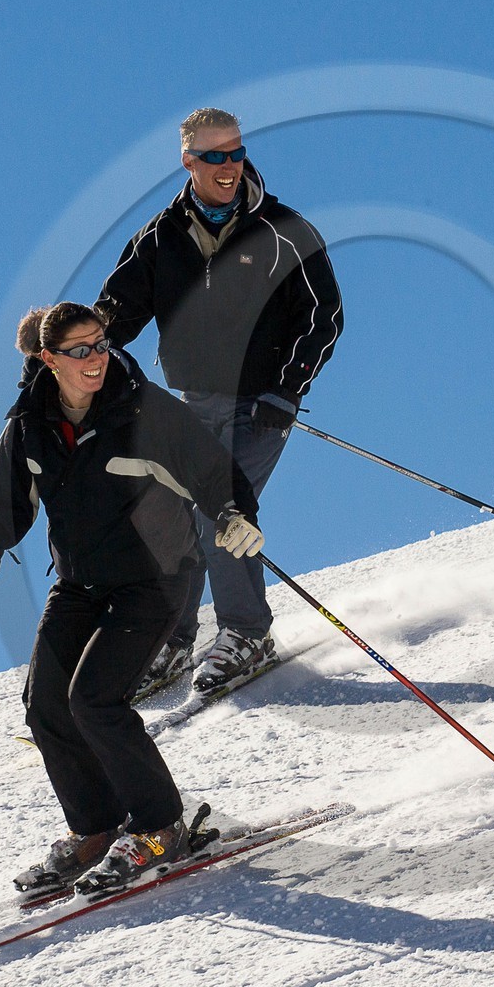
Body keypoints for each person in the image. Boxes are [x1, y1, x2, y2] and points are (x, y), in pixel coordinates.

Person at [0, 301, 265, 893]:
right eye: (80, 350)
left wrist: (231, 513)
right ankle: (94, 827)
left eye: (100, 343)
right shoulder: (30, 424)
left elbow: (210, 468)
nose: (96, 358)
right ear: (49, 359)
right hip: (79, 582)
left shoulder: (143, 409)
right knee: (45, 705)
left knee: (94, 701)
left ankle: (159, 826)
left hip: (153, 579)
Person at [95, 107, 343, 695]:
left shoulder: (282, 229)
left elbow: (325, 316)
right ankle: (173, 638)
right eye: (214, 156)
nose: (229, 165)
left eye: (236, 152)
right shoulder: (160, 238)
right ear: (189, 161)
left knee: (220, 507)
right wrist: (69, 352)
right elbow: (115, 315)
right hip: (193, 400)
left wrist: (288, 388)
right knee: (170, 515)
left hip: (261, 405)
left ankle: (248, 633)